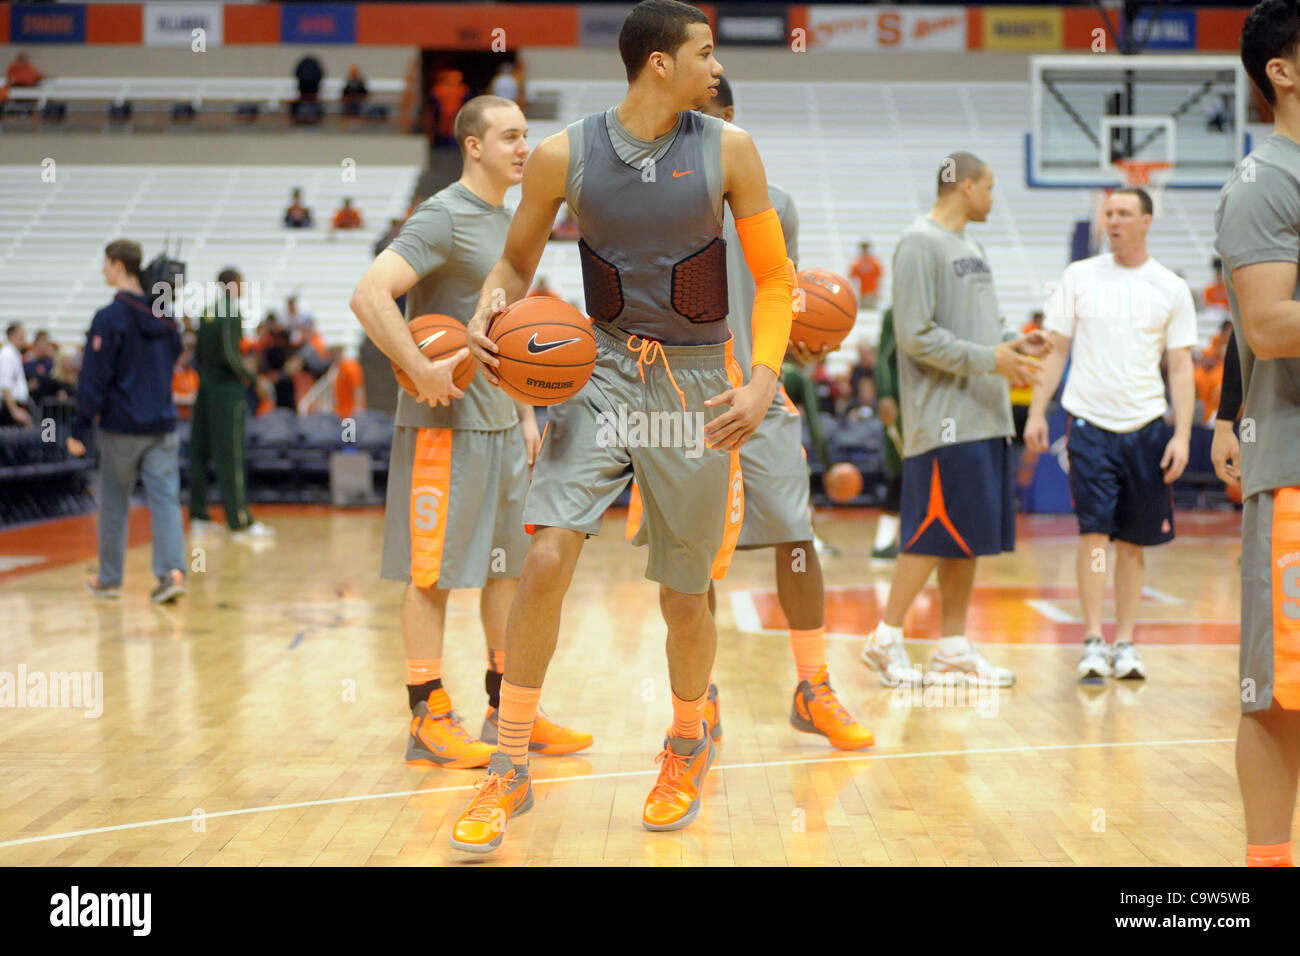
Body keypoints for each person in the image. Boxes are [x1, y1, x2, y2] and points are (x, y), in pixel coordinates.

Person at [450, 0, 795, 853]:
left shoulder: (730, 150)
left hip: (694, 386)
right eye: (705, 54)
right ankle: (511, 761)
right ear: (658, 65)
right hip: (600, 372)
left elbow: (778, 279)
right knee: (542, 557)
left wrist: (762, 379)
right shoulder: (565, 155)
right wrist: (488, 309)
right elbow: (516, 260)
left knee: (686, 593)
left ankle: (686, 741)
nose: (717, 69)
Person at [350, 94, 591, 775]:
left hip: (497, 425)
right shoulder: (445, 215)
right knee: (431, 576)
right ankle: (428, 714)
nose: (524, 147)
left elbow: (506, 336)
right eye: (510, 136)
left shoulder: (512, 223)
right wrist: (418, 366)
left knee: (505, 572)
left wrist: (524, 415)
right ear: (474, 145)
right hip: (443, 428)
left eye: (527, 136)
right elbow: (370, 292)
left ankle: (507, 707)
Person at [635, 71, 871, 751]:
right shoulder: (653, 203)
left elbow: (775, 301)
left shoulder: (779, 206)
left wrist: (799, 344)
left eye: (698, 115)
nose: (683, 128)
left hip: (760, 394)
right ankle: (700, 696)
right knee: (692, 560)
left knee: (796, 540)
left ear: (729, 119)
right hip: (682, 402)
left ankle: (814, 686)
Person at [860, 152, 1047, 688]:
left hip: (984, 415)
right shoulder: (919, 242)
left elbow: (979, 330)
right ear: (965, 187)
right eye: (988, 186)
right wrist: (993, 359)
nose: (993, 196)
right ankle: (885, 639)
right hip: (945, 421)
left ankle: (952, 648)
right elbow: (915, 337)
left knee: (965, 537)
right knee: (929, 533)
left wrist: (1015, 344)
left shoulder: (972, 246)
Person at [1025, 187, 1197, 682]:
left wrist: (1182, 434)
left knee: (1132, 543)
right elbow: (1055, 350)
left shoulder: (1170, 286)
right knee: (1094, 533)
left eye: (1125, 214)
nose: (1114, 221)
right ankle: (1093, 640)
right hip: (1088, 423)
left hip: (1145, 427)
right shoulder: (1078, 277)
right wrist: (1039, 411)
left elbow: (1181, 367)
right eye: (1109, 214)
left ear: (1146, 221)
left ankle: (1126, 641)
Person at [1212, 0, 1300, 868]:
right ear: (1283, 69)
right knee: (1281, 699)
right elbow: (1270, 326)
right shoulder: (1265, 181)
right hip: (1296, 473)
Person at [69, 240, 187, 604]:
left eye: (106, 264)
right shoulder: (167, 319)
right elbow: (175, 354)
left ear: (120, 266)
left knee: (115, 502)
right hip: (163, 424)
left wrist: (79, 427)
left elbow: (93, 378)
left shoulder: (109, 318)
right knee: (165, 500)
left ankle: (109, 580)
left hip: (122, 426)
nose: (103, 270)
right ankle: (172, 573)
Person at [189, 269, 273, 539]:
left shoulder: (207, 312)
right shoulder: (230, 311)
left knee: (199, 453)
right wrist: (252, 379)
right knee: (231, 456)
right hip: (226, 392)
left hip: (204, 389)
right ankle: (239, 521)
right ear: (234, 284)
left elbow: (199, 354)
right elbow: (229, 353)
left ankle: (199, 515)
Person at [868, 306, 903, 561]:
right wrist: (886, 395)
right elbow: (883, 356)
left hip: (928, 406)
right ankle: (883, 542)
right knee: (901, 473)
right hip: (901, 408)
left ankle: (916, 537)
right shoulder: (895, 312)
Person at [0, 323, 32, 426]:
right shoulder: (7, 355)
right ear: (12, 335)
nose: (24, 339)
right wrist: (14, 410)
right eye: (21, 336)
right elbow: (5, 385)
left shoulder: (14, 353)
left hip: (15, 405)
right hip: (10, 406)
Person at [330, 346, 365, 420]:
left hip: (351, 412)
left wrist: (359, 408)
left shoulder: (350, 366)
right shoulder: (339, 368)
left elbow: (358, 388)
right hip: (341, 412)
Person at [849, 240, 883, 308]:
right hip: (861, 293)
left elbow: (878, 278)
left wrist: (878, 291)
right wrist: (856, 293)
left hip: (871, 292)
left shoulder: (874, 262)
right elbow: (853, 279)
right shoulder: (857, 263)